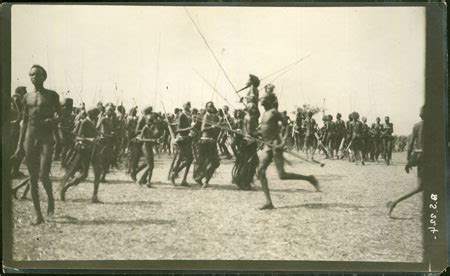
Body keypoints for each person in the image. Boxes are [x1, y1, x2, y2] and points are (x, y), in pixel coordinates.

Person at [256, 85, 320, 210]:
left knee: (282, 175)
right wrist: (254, 133)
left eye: (263, 98)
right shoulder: (264, 114)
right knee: (260, 171)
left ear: (269, 100)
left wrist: (283, 140)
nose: (261, 100)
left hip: (275, 145)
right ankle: (269, 202)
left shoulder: (274, 112)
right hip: (267, 145)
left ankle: (309, 178)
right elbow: (264, 130)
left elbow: (286, 125)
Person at [12, 65, 61, 225]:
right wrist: (20, 145)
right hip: (29, 137)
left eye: (37, 75)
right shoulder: (26, 97)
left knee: (43, 174)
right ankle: (38, 215)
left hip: (45, 137)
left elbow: (61, 115)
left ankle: (51, 199)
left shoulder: (52, 95)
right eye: (31, 75)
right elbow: (24, 121)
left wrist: (52, 120)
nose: (34, 77)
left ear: (44, 77)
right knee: (33, 178)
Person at [387, 107, 424, 217]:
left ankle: (395, 202)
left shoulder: (417, 126)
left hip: (420, 156)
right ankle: (394, 202)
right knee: (421, 187)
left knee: (421, 186)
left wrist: (408, 160)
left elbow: (411, 144)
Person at [60, 107, 103, 203]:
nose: (96, 117)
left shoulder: (92, 122)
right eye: (95, 115)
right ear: (91, 114)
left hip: (94, 150)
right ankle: (64, 188)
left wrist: (98, 137)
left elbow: (94, 134)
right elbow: (77, 137)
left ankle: (94, 196)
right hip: (85, 150)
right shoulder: (84, 122)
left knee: (98, 172)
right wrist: (90, 139)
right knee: (84, 174)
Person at [232, 103, 259, 190]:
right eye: (253, 108)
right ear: (249, 108)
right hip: (248, 142)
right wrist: (260, 132)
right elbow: (250, 131)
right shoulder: (249, 118)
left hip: (249, 141)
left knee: (250, 162)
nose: (255, 109)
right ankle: (243, 181)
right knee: (249, 162)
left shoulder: (248, 117)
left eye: (255, 107)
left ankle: (245, 181)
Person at [194, 101, 221, 188]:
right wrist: (213, 127)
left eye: (212, 106)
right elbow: (203, 128)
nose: (212, 107)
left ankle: (203, 179)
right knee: (210, 162)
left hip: (212, 141)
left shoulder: (214, 116)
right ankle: (202, 179)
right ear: (206, 108)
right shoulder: (206, 116)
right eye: (209, 106)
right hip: (206, 141)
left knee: (215, 162)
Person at [170, 102, 194, 186]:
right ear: (183, 106)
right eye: (187, 105)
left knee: (190, 159)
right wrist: (190, 128)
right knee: (181, 158)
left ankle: (183, 179)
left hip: (187, 138)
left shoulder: (189, 115)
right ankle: (174, 174)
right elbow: (178, 129)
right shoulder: (181, 115)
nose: (189, 106)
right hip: (182, 139)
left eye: (189, 105)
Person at [138, 113, 164, 187]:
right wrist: (151, 140)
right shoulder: (145, 128)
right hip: (145, 147)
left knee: (152, 166)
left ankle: (148, 182)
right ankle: (141, 180)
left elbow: (153, 138)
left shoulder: (152, 128)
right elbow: (140, 139)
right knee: (150, 166)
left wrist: (157, 140)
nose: (152, 123)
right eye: (151, 121)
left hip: (149, 147)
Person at [10, 86, 27, 178]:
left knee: (17, 149)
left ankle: (14, 170)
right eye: (25, 90)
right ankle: (14, 171)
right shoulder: (17, 98)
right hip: (17, 127)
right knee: (19, 149)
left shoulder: (15, 98)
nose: (26, 92)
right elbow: (21, 113)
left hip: (15, 126)